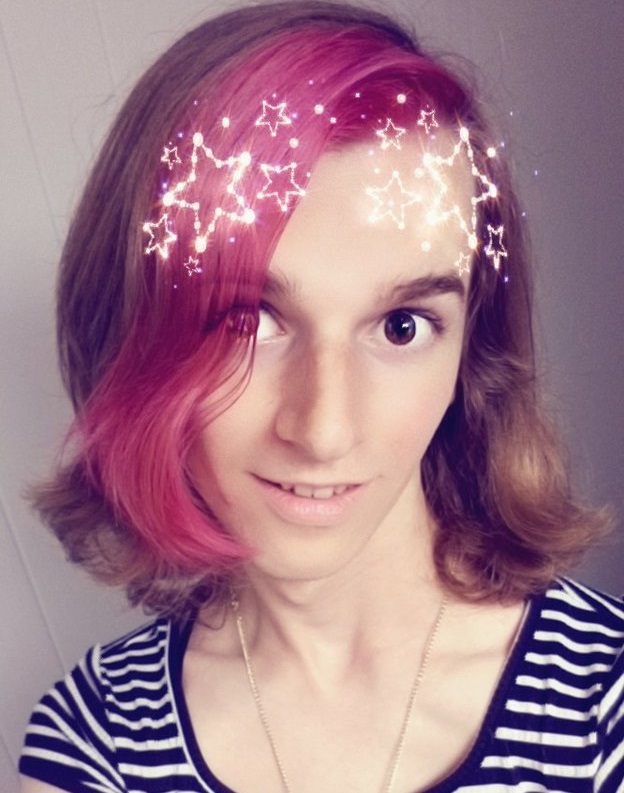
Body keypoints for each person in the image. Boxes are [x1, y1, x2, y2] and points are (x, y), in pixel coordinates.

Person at [18, 2, 624, 792]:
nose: (324, 429)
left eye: (402, 326)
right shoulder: (97, 745)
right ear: (132, 341)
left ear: (470, 351)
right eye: (246, 320)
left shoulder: (605, 702)